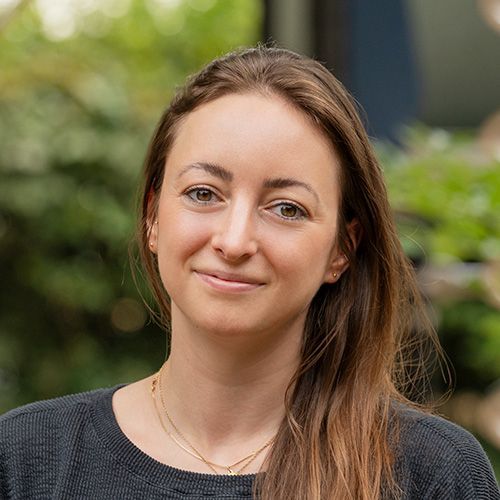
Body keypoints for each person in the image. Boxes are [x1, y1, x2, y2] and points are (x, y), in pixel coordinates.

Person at [0, 46, 499, 500]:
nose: (234, 241)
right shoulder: (25, 460)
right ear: (153, 217)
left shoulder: (431, 474)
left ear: (342, 250)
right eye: (203, 194)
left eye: (286, 208)